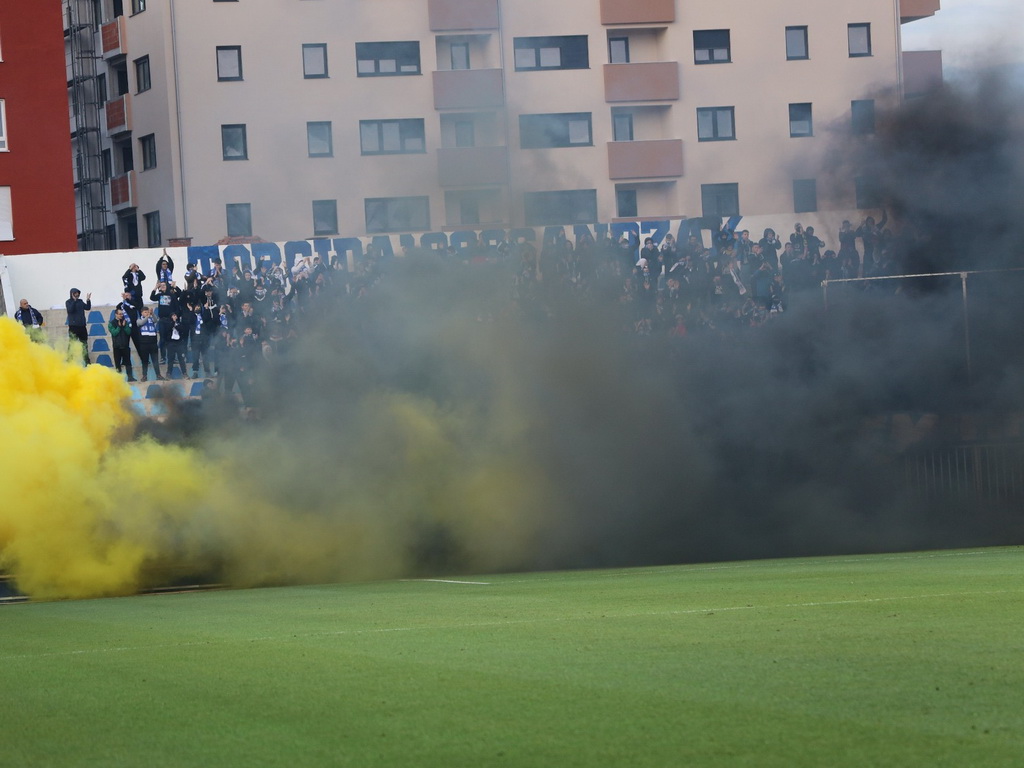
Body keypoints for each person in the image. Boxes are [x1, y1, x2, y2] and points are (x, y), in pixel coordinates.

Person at [135, 306, 164, 381]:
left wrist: (152, 313)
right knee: (145, 361)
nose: (147, 313)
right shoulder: (139, 320)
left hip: (153, 343)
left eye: (147, 312)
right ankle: (144, 376)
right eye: (145, 312)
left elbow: (156, 320)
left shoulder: (151, 319)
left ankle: (158, 375)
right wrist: (147, 317)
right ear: (142, 313)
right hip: (144, 344)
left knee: (155, 360)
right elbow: (141, 323)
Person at [108, 307, 137, 381]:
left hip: (125, 346)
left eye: (122, 314)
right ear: (116, 314)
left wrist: (124, 326)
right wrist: (119, 326)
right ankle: (119, 379)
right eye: (120, 314)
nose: (121, 315)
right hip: (117, 347)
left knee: (128, 363)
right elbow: (114, 333)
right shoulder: (111, 323)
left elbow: (128, 332)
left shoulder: (125, 322)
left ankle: (130, 377)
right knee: (118, 364)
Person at [65, 288, 92, 364]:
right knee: (72, 344)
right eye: (75, 293)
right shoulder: (68, 302)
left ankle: (87, 361)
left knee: (84, 344)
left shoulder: (80, 301)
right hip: (73, 327)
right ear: (72, 294)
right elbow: (70, 310)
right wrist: (74, 301)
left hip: (82, 326)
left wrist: (88, 300)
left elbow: (87, 308)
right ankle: (69, 360)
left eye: (78, 293)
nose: (77, 295)